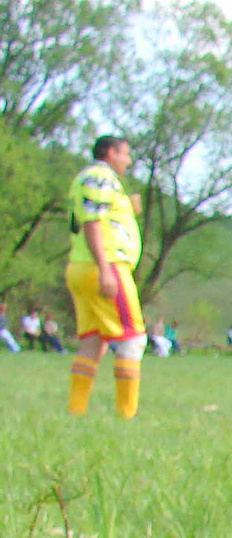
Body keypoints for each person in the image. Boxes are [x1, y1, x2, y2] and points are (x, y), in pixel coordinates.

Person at [64, 135, 146, 417]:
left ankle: (76, 411)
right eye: (125, 154)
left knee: (94, 339)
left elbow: (103, 218)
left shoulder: (91, 179)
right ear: (110, 153)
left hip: (82, 266)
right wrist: (105, 269)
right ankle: (127, 414)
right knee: (132, 339)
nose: (129, 160)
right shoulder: (99, 176)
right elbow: (92, 223)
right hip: (105, 266)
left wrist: (129, 210)